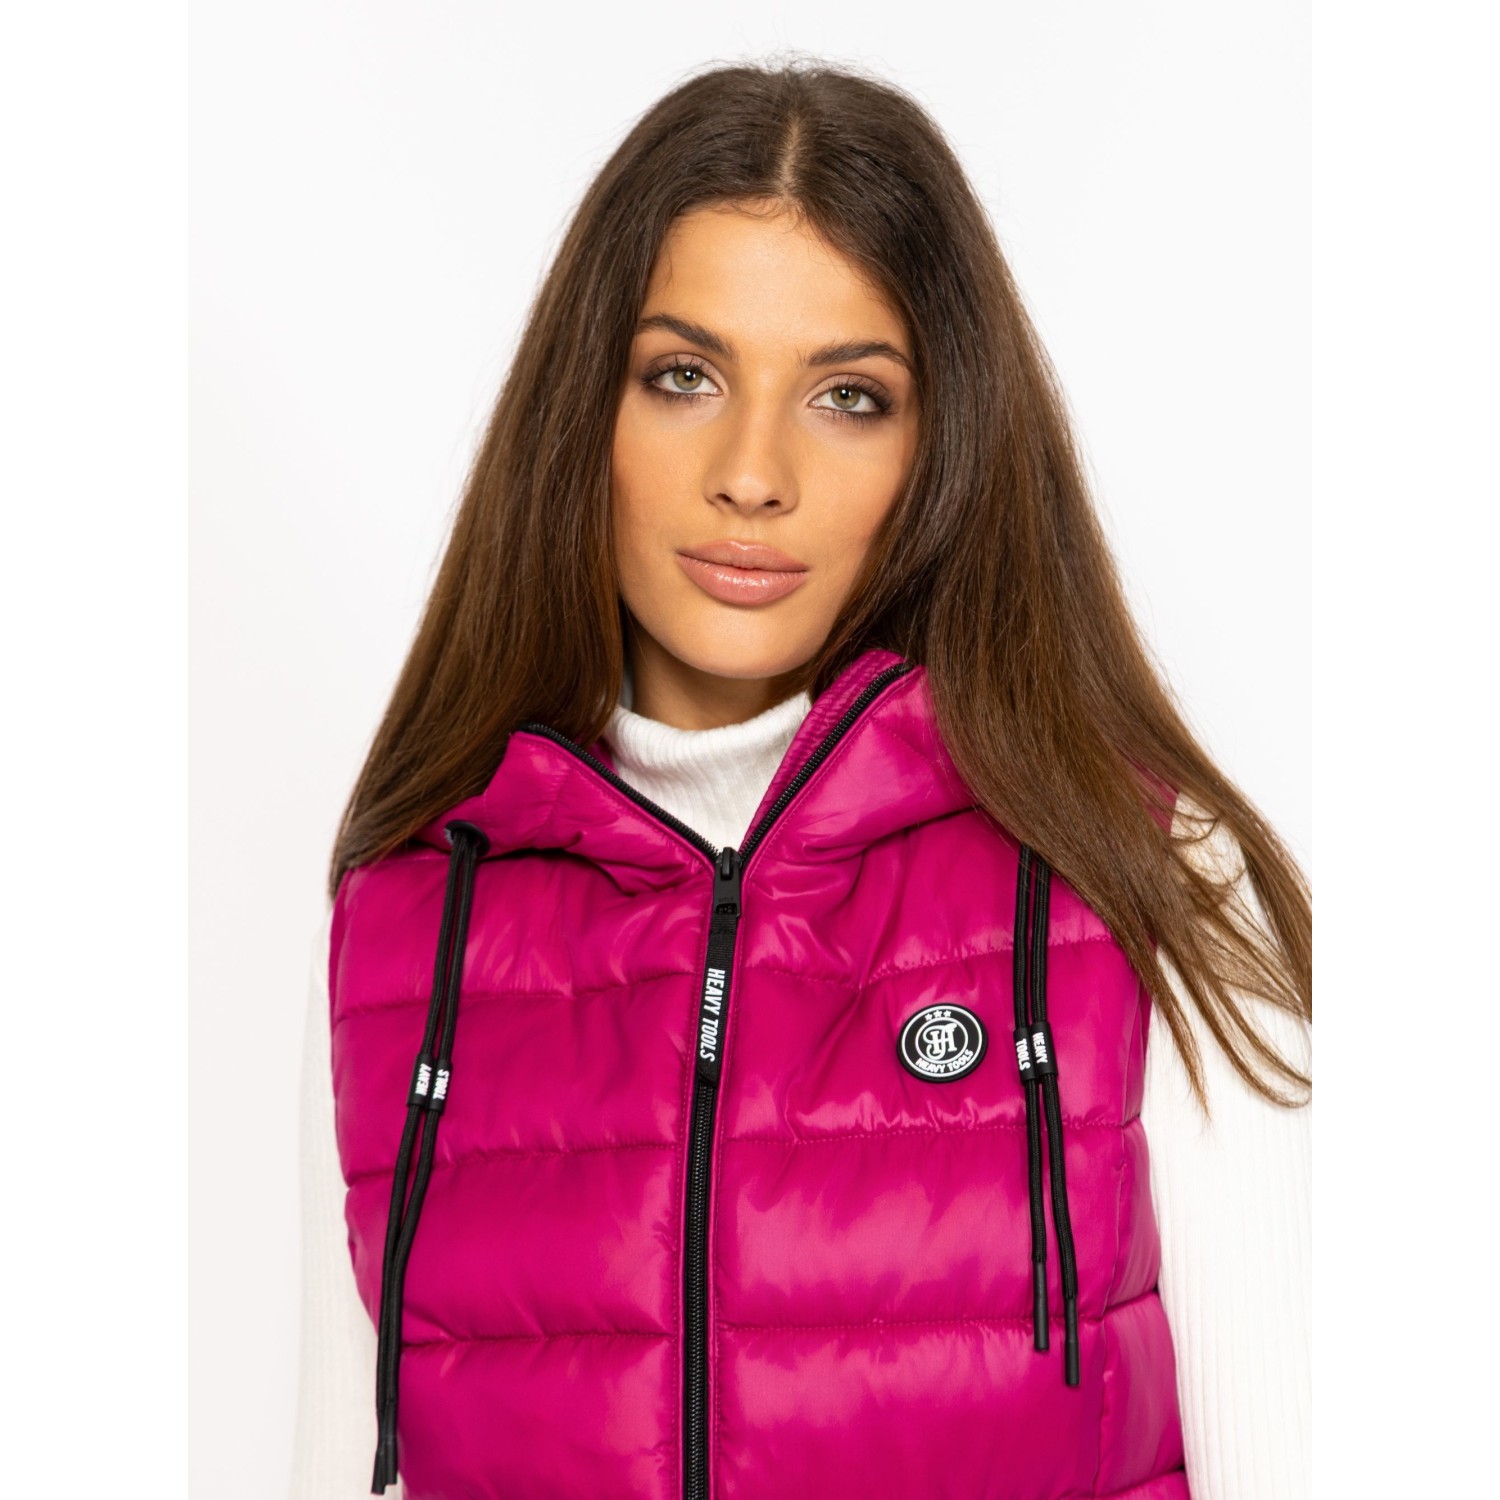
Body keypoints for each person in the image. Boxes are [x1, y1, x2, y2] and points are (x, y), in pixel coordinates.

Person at [291, 58, 1311, 1500]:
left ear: (942, 444)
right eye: (684, 377)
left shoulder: (1150, 879)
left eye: (848, 396)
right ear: (585, 414)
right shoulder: (407, 924)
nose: (753, 472)